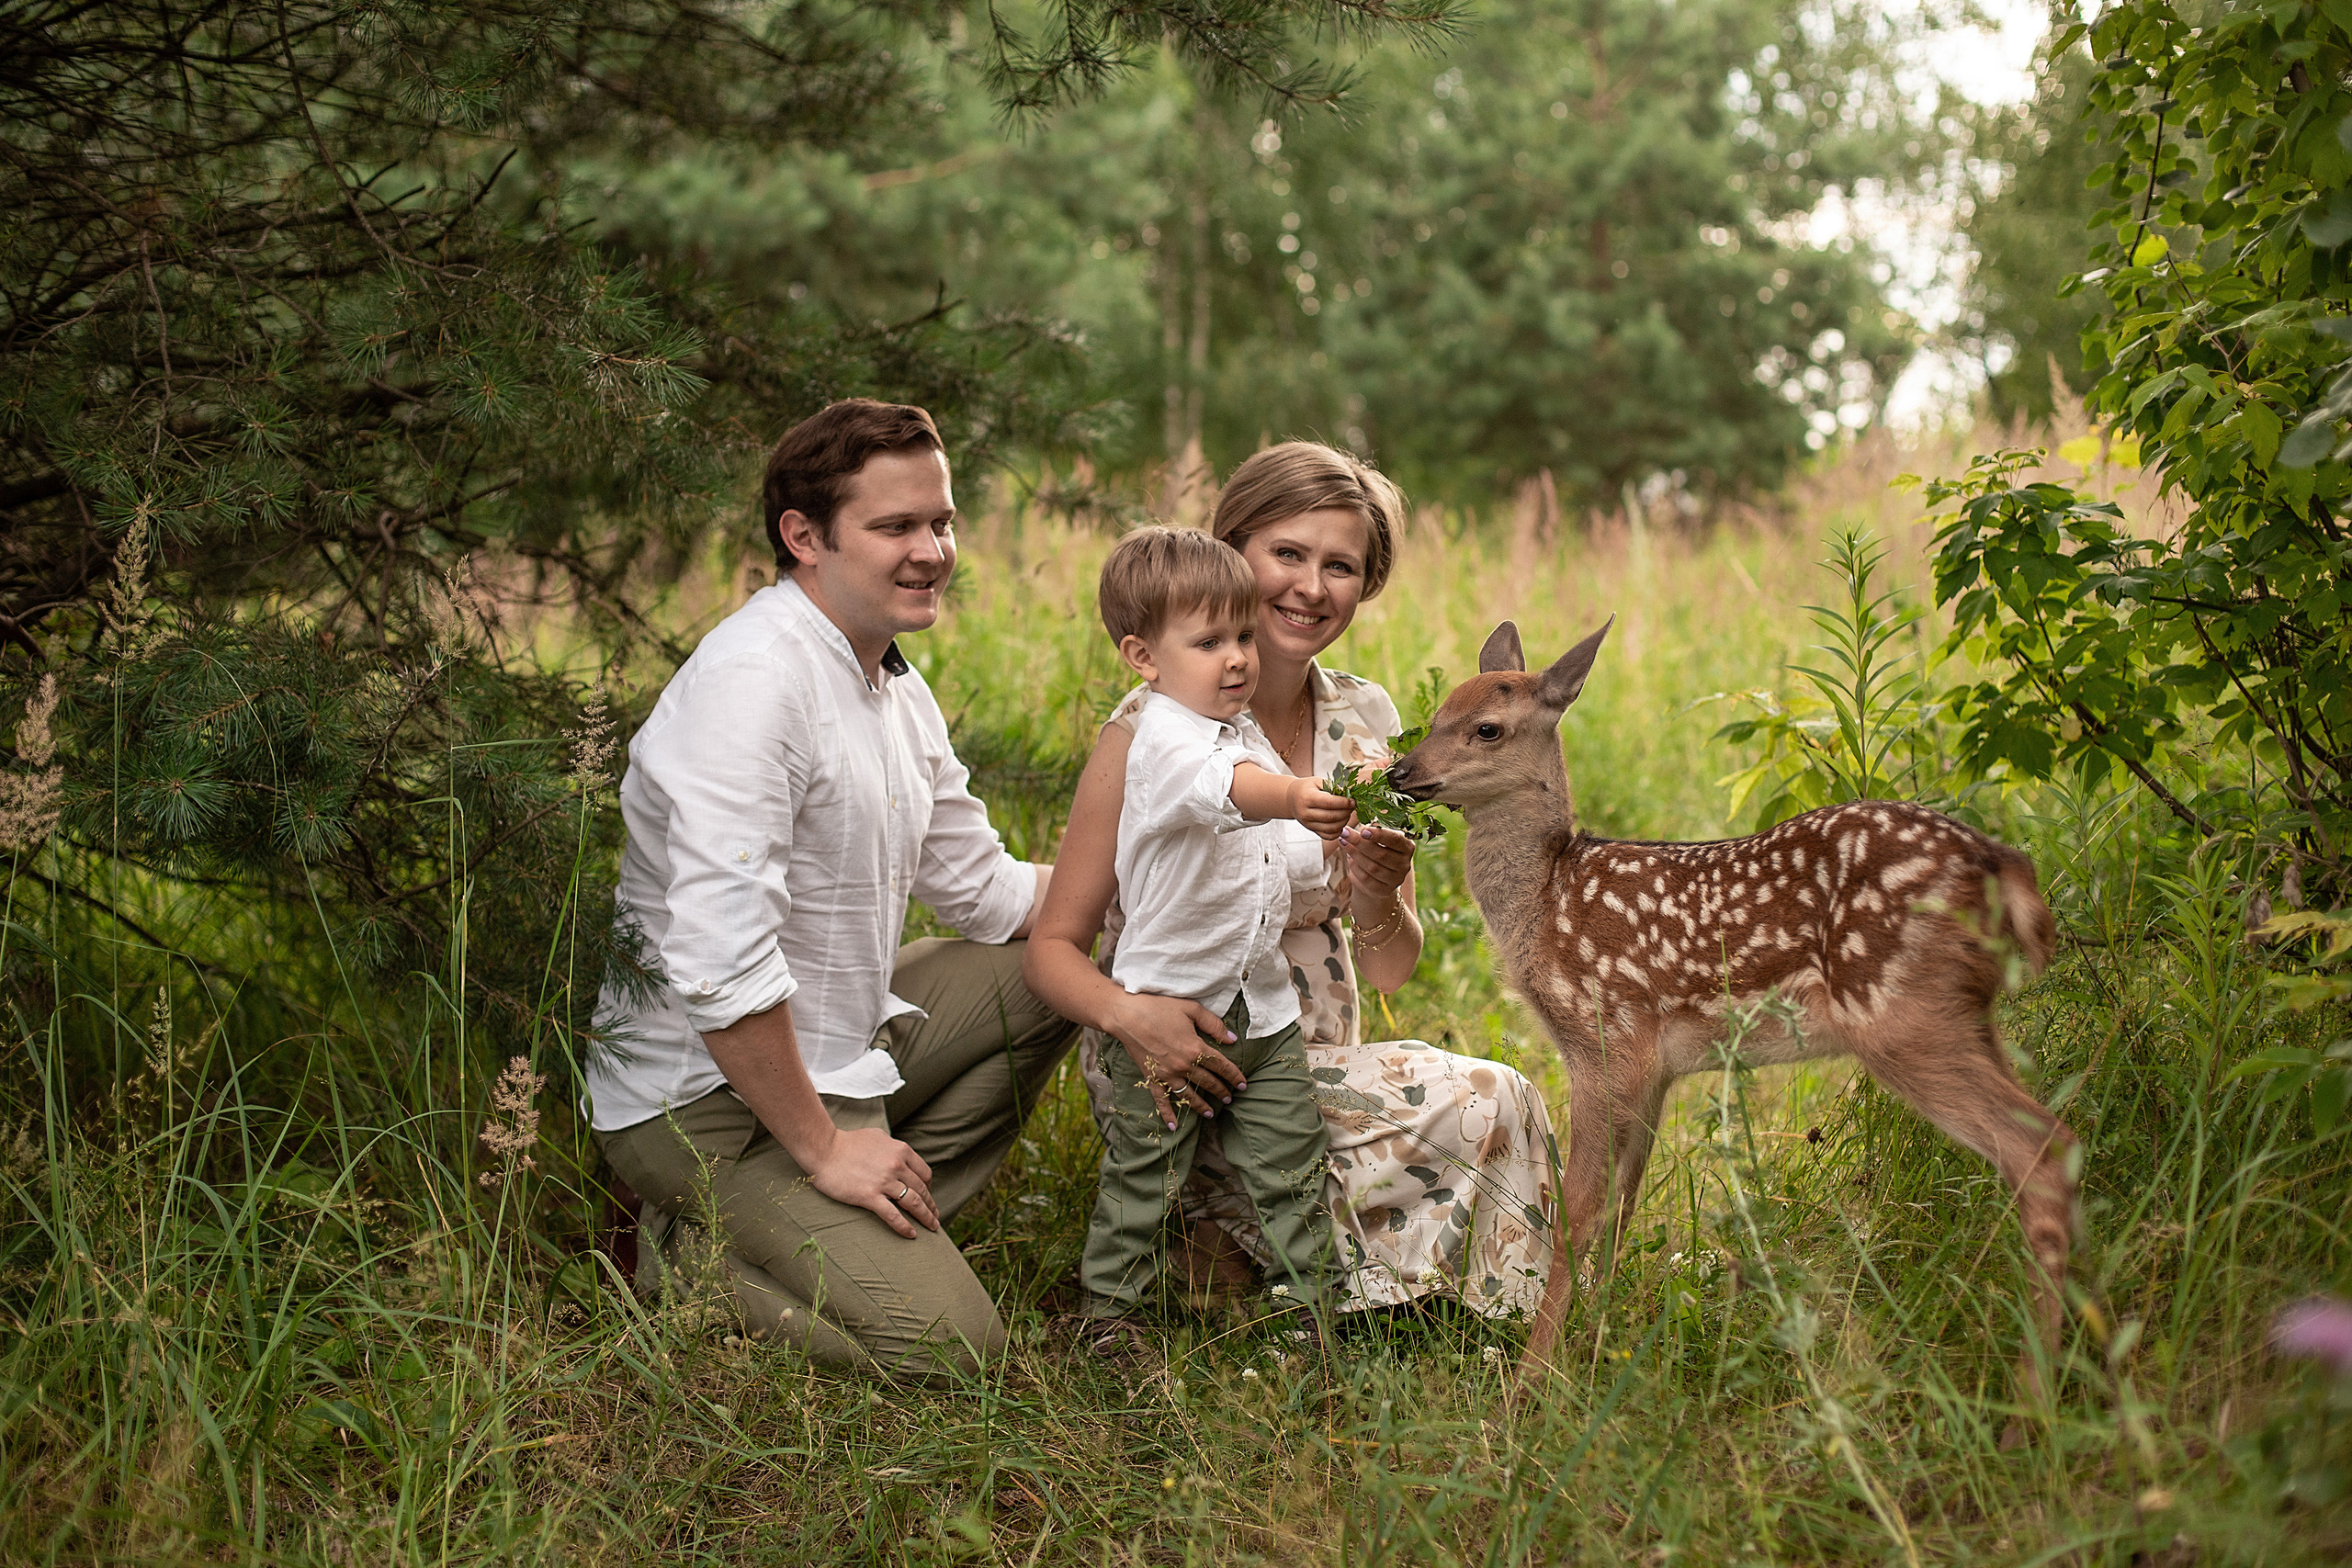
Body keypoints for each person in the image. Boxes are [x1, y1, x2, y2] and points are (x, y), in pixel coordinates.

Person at [586, 399, 1076, 1377]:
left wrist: (1176, 882)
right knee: (956, 1354)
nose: (932, 551)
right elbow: (719, 965)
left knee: (1056, 968)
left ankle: (868, 1204)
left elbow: (984, 893)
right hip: (705, 1098)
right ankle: (686, 1264)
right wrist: (822, 1150)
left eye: (939, 522)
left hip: (837, 1043)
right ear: (803, 537)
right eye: (894, 527)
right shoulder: (753, 684)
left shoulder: (890, 679)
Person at [1024, 442, 1558, 1320]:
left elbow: (1389, 970)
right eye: (1288, 554)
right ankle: (1231, 1238)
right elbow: (1051, 949)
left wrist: (1381, 889)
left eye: (1341, 565)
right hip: (1185, 1056)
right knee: (1490, 1096)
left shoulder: (1367, 720)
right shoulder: (1148, 731)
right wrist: (1133, 1018)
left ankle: (1233, 1259)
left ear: (1365, 584)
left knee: (1491, 1102)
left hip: (1312, 1061)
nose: (1312, 586)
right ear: (1233, 549)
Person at [1079, 528, 1354, 1331]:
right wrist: (1298, 791)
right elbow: (1224, 791)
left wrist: (1345, 821)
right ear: (1144, 656)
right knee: (1143, 1173)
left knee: (1292, 1165)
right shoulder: (1160, 735)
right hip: (1169, 1010)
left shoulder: (1244, 736)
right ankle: (1109, 1316)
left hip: (1261, 1010)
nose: (1236, 658)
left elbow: (1298, 860)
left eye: (1241, 636)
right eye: (1208, 642)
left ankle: (1317, 1314)